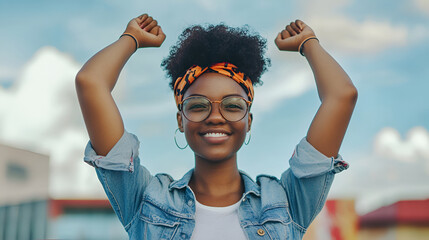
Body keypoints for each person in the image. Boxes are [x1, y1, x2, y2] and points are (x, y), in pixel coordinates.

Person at [76, 13, 357, 240]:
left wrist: (309, 43)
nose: (215, 116)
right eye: (197, 105)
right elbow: (91, 83)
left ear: (248, 120)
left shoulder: (286, 202)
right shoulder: (145, 200)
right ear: (180, 120)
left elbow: (342, 96)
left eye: (232, 105)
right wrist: (131, 39)